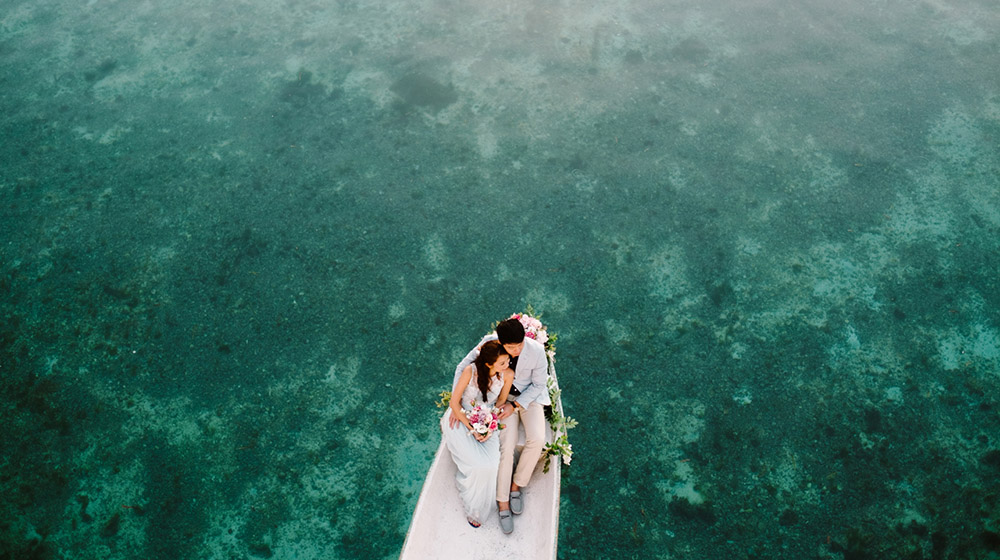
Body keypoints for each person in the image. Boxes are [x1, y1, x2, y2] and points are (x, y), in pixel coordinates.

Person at [454, 318, 550, 534]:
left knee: (537, 438)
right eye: (511, 347)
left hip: (527, 398)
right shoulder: (490, 344)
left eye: (520, 345)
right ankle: (502, 500)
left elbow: (539, 384)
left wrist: (515, 405)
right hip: (500, 399)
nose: (516, 350)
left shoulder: (536, 351)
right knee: (506, 446)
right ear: (500, 342)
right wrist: (455, 404)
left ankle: (517, 485)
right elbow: (463, 367)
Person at [441, 341, 514, 528]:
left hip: (487, 420)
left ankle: (482, 498)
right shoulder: (470, 371)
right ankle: (473, 505)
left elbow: (499, 404)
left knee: (491, 465)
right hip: (461, 418)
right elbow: (454, 403)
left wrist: (489, 425)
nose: (507, 365)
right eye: (502, 363)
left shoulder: (507, 375)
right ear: (489, 364)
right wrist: (472, 427)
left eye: (507, 361)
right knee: (475, 464)